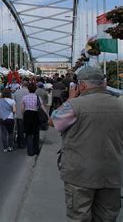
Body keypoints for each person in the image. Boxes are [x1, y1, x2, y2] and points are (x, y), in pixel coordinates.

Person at [50, 67, 123, 221]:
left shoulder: (74, 105)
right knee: (107, 218)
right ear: (104, 83)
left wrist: (71, 98)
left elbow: (53, 121)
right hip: (111, 174)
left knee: (80, 217)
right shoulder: (120, 105)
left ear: (81, 86)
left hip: (80, 175)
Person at [21, 83, 48, 156]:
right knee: (36, 133)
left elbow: (22, 108)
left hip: (27, 114)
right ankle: (36, 150)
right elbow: (42, 106)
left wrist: (23, 115)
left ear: (28, 89)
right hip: (35, 115)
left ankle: (30, 151)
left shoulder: (24, 97)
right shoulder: (37, 97)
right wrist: (47, 114)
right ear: (35, 89)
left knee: (28, 133)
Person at [13, 81, 29, 149]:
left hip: (19, 114)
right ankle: (27, 142)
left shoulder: (17, 92)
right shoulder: (29, 92)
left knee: (20, 129)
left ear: (22, 85)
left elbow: (14, 102)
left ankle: (20, 144)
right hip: (27, 113)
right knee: (27, 129)